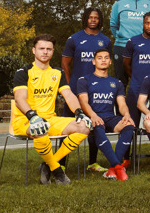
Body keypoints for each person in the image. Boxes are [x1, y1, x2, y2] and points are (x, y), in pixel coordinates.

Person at [10, 34, 91, 185]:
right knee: (39, 128)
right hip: (26, 120)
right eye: (41, 48)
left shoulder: (58, 73)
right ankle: (57, 171)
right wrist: (32, 116)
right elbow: (20, 98)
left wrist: (79, 112)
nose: (45, 52)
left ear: (53, 51)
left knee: (84, 126)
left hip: (50, 119)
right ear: (34, 50)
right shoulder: (23, 72)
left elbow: (68, 94)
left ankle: (48, 164)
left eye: (49, 49)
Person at [75, 49, 135, 180]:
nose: (103, 60)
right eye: (100, 58)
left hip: (110, 117)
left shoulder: (116, 82)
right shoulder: (84, 80)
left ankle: (113, 168)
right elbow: (83, 102)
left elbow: (122, 104)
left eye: (106, 58)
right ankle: (119, 168)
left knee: (129, 126)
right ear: (93, 61)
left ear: (110, 61)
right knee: (97, 126)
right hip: (93, 117)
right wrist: (93, 115)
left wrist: (127, 115)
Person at [109, 0, 150, 88]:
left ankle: (141, 105)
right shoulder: (119, 4)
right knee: (121, 82)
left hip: (142, 48)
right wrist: (121, 37)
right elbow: (113, 25)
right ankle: (119, 106)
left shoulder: (149, 4)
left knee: (143, 81)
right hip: (121, 46)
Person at [123, 12, 150, 124]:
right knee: (132, 123)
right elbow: (126, 64)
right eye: (146, 23)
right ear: (143, 24)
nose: (149, 26)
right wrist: (134, 77)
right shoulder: (133, 41)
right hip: (136, 87)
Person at [62, 7, 111, 102]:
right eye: (90, 17)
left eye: (96, 18)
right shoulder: (74, 39)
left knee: (96, 116)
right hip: (76, 86)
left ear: (99, 20)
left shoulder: (106, 40)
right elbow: (65, 64)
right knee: (73, 115)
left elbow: (107, 65)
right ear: (85, 19)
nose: (93, 20)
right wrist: (69, 86)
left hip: (98, 88)